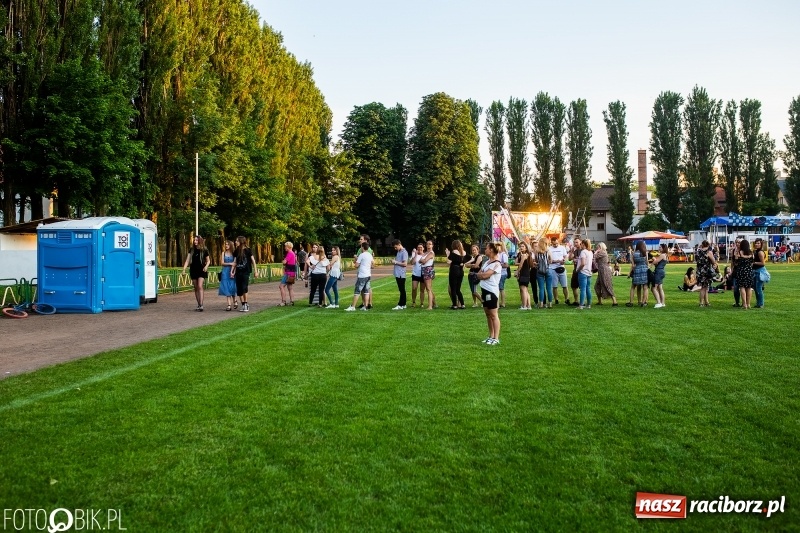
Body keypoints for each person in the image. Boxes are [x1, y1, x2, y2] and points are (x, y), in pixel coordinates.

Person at [477, 242, 503, 345]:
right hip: (484, 290)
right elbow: (480, 273)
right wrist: (480, 275)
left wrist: (480, 275)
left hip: (491, 292)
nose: (485, 250)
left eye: (487, 248)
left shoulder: (497, 263)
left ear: (491, 250)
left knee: (493, 314)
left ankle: (496, 338)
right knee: (488, 314)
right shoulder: (487, 262)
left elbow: (484, 275)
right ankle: (491, 336)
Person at [182, 236, 210, 311]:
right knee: (196, 287)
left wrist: (206, 266)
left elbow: (208, 261)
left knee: (200, 286)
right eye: (194, 240)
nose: (195, 241)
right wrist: (184, 269)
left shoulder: (204, 250)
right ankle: (198, 304)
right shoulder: (191, 250)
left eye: (197, 240)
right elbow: (187, 260)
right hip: (193, 270)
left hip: (201, 270)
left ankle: (201, 305)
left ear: (200, 241)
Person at [346, 241, 374, 311]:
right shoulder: (369, 255)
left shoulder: (362, 255)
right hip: (368, 275)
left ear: (362, 247)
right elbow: (373, 264)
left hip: (362, 275)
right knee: (366, 291)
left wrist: (356, 259)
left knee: (357, 291)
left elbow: (356, 265)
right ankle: (365, 306)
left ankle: (353, 306)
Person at [233, 235, 256, 312]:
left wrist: (256, 271)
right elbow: (235, 262)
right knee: (239, 289)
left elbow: (253, 261)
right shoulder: (236, 251)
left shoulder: (248, 250)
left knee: (244, 287)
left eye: (237, 241)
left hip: (246, 272)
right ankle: (243, 304)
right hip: (238, 272)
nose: (235, 242)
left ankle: (245, 303)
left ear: (241, 241)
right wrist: (232, 271)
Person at [593, 242, 618, 306]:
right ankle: (600, 301)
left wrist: (596, 252)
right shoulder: (601, 253)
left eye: (598, 247)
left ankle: (614, 301)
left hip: (604, 270)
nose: (597, 248)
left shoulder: (603, 253)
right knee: (597, 286)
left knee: (607, 285)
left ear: (601, 247)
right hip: (601, 270)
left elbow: (594, 256)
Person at [695, 240, 718, 307]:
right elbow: (713, 261)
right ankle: (701, 302)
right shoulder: (709, 252)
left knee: (705, 287)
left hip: (699, 271)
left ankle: (706, 302)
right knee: (704, 288)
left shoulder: (698, 252)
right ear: (708, 245)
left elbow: (697, 261)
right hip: (706, 271)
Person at [446, 239, 467, 309]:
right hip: (461, 271)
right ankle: (462, 304)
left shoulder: (454, 252)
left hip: (454, 270)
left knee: (453, 289)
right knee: (458, 289)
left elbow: (448, 262)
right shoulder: (464, 252)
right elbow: (469, 259)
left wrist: (447, 254)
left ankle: (455, 305)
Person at [354, 235, 374, 309]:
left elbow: (359, 261)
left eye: (361, 239)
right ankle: (364, 303)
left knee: (367, 288)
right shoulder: (360, 249)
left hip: (364, 272)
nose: (360, 240)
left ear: (365, 241)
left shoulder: (368, 250)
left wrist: (356, 258)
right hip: (361, 271)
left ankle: (369, 303)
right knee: (364, 288)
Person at [627, 240, 649, 307]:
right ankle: (643, 302)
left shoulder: (633, 253)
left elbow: (633, 265)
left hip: (637, 270)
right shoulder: (645, 253)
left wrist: (631, 272)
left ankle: (631, 302)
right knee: (645, 287)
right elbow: (647, 262)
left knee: (634, 286)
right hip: (644, 270)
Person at [548, 237, 569, 304]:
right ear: (551, 243)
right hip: (553, 269)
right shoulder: (549, 249)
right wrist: (556, 261)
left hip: (561, 268)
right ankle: (556, 299)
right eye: (554, 244)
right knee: (554, 286)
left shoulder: (562, 248)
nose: (556, 245)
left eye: (557, 243)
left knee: (565, 285)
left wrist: (564, 261)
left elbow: (566, 256)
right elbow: (548, 260)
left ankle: (567, 299)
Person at [218, 240, 237, 311]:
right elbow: (222, 263)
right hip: (225, 272)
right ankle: (229, 304)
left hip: (232, 272)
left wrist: (233, 270)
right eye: (225, 244)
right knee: (226, 287)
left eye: (228, 244)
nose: (226, 246)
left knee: (232, 287)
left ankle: (235, 300)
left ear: (231, 245)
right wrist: (230, 264)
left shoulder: (234, 253)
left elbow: (235, 263)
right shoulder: (223, 253)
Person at [534, 237, 552, 309]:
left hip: (540, 271)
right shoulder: (548, 251)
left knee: (541, 288)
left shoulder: (536, 251)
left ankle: (541, 303)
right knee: (549, 288)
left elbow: (536, 261)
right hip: (548, 270)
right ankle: (550, 303)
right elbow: (551, 261)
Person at [514, 241, 532, 310]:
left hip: (524, 273)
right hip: (525, 273)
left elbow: (520, 264)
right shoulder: (520, 254)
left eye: (523, 246)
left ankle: (524, 306)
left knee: (523, 289)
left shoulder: (525, 255)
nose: (521, 248)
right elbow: (515, 263)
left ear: (526, 247)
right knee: (525, 290)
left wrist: (517, 271)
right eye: (520, 246)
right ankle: (528, 305)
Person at [650, 243, 669, 308]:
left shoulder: (662, 255)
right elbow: (658, 262)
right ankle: (663, 303)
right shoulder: (665, 255)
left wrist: (651, 264)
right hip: (661, 271)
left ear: (663, 248)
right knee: (660, 288)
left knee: (653, 288)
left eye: (660, 247)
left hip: (658, 272)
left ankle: (659, 303)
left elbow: (656, 261)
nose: (659, 248)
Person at [576, 238, 593, 309]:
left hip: (583, 272)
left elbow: (583, 263)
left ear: (583, 244)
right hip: (589, 272)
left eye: (581, 244)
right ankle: (589, 304)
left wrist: (578, 270)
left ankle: (581, 305)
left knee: (582, 289)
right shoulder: (590, 252)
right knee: (588, 288)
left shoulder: (583, 252)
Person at [419, 240, 437, 310]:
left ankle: (430, 306)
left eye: (430, 244)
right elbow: (420, 261)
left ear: (432, 245)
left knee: (428, 289)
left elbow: (424, 261)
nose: (428, 245)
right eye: (427, 244)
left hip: (428, 270)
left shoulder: (431, 253)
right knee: (428, 288)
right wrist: (422, 261)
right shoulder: (426, 253)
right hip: (424, 270)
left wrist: (422, 261)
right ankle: (434, 303)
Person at [391, 239, 408, 310]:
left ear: (399, 244)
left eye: (396, 247)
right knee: (401, 289)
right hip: (398, 273)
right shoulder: (399, 251)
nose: (395, 249)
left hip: (401, 273)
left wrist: (395, 262)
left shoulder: (404, 252)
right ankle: (403, 304)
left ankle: (401, 304)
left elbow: (405, 264)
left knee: (402, 290)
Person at [279, 241, 296, 306]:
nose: (285, 248)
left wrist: (283, 261)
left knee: (281, 286)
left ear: (288, 247)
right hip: (292, 272)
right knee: (290, 287)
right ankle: (292, 301)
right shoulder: (293, 253)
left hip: (288, 272)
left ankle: (283, 301)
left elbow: (284, 262)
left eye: (285, 246)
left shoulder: (290, 253)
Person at [752, 238, 766, 308]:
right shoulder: (755, 251)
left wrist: (753, 263)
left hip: (759, 271)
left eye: (758, 243)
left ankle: (760, 303)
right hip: (755, 271)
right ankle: (758, 303)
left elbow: (763, 263)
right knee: (756, 288)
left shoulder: (760, 252)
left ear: (761, 244)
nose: (757, 244)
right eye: (756, 243)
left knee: (758, 288)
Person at [409, 243, 425, 307]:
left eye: (421, 247)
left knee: (422, 290)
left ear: (423, 248)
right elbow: (412, 263)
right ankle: (413, 302)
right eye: (418, 247)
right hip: (415, 274)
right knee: (414, 288)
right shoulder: (414, 255)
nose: (419, 248)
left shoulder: (425, 255)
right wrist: (415, 254)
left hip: (423, 274)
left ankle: (422, 303)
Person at [568, 237, 582, 306]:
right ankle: (576, 301)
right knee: (574, 286)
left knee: (582, 287)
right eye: (574, 242)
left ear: (580, 242)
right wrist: (571, 251)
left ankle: (582, 302)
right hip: (575, 271)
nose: (575, 244)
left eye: (577, 242)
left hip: (581, 271)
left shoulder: (583, 250)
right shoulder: (575, 251)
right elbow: (570, 259)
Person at [497, 241, 510, 308]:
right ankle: (499, 302)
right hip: (498, 273)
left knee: (501, 288)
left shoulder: (503, 254)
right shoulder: (497, 254)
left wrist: (498, 264)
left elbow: (506, 265)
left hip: (502, 273)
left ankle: (502, 303)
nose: (497, 247)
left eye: (498, 245)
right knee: (498, 288)